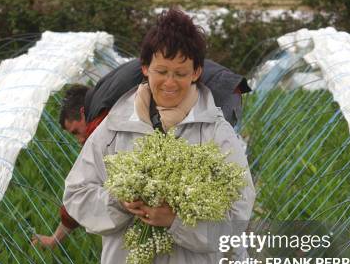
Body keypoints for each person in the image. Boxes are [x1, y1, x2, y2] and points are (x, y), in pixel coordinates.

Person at [62, 8, 255, 264]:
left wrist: (177, 222)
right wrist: (120, 201)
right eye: (162, 71)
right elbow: (77, 193)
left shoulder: (217, 134)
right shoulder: (115, 128)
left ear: (197, 72)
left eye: (181, 73)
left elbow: (237, 214)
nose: (170, 82)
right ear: (145, 67)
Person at [34, 58, 250, 248]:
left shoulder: (101, 114)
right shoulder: (104, 96)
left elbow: (97, 177)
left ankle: (231, 262)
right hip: (225, 85)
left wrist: (57, 237)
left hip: (218, 90)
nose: (80, 139)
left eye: (76, 131)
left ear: (83, 112)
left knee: (217, 183)